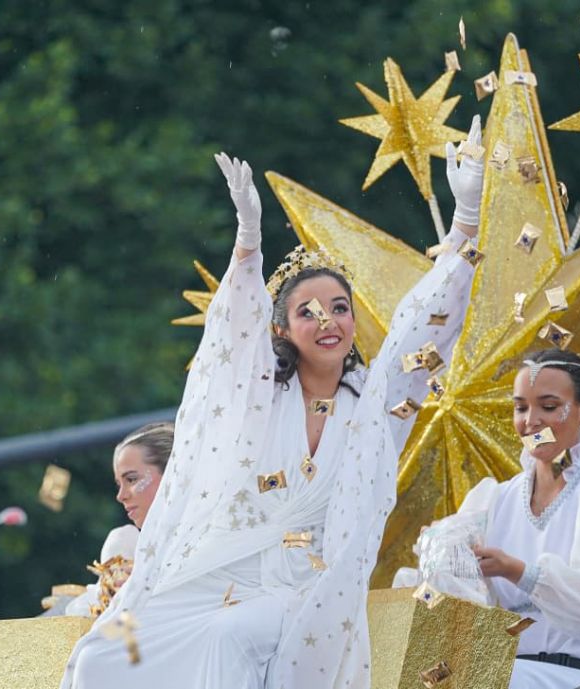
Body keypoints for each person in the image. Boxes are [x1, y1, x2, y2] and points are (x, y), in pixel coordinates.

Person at [60, 116, 486, 689]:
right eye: (307, 312)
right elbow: (231, 336)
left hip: (304, 587)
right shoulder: (260, 395)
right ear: (281, 330)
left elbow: (423, 326)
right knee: (102, 656)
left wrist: (465, 222)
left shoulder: (372, 405)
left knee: (226, 639)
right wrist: (249, 240)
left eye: (338, 307)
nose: (327, 321)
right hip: (222, 567)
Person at [441, 349, 580, 688]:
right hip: (508, 673)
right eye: (520, 407)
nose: (531, 421)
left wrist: (517, 571)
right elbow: (461, 605)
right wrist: (439, 555)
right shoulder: (492, 500)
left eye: (549, 407)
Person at [61, 422, 174, 618]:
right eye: (118, 484)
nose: (120, 496)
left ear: (172, 474)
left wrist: (148, 583)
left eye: (131, 479)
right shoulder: (126, 544)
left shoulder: (219, 534)